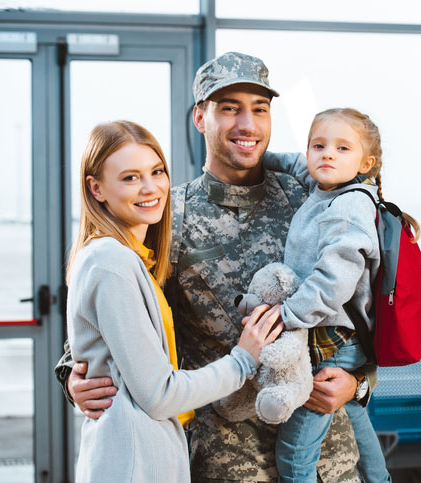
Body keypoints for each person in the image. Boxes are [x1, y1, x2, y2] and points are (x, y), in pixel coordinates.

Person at [55, 52, 377, 482]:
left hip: (325, 454)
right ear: (200, 118)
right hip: (227, 461)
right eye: (229, 108)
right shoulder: (168, 216)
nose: (247, 124)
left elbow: (367, 302)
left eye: (259, 109)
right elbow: (106, 319)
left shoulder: (316, 199)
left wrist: (360, 383)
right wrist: (74, 381)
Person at [65, 120, 282, 482]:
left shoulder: (134, 257)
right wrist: (244, 359)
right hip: (136, 464)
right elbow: (159, 394)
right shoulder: (111, 263)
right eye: (130, 178)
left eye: (157, 171)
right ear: (96, 188)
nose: (151, 188)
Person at [263, 108, 418, 482]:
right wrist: (260, 156)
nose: (327, 154)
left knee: (295, 455)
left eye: (342, 148)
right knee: (357, 418)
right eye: (319, 146)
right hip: (341, 339)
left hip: (329, 341)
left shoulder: (348, 206)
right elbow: (297, 163)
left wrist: (284, 317)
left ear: (366, 163)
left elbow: (332, 282)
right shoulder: (328, 185)